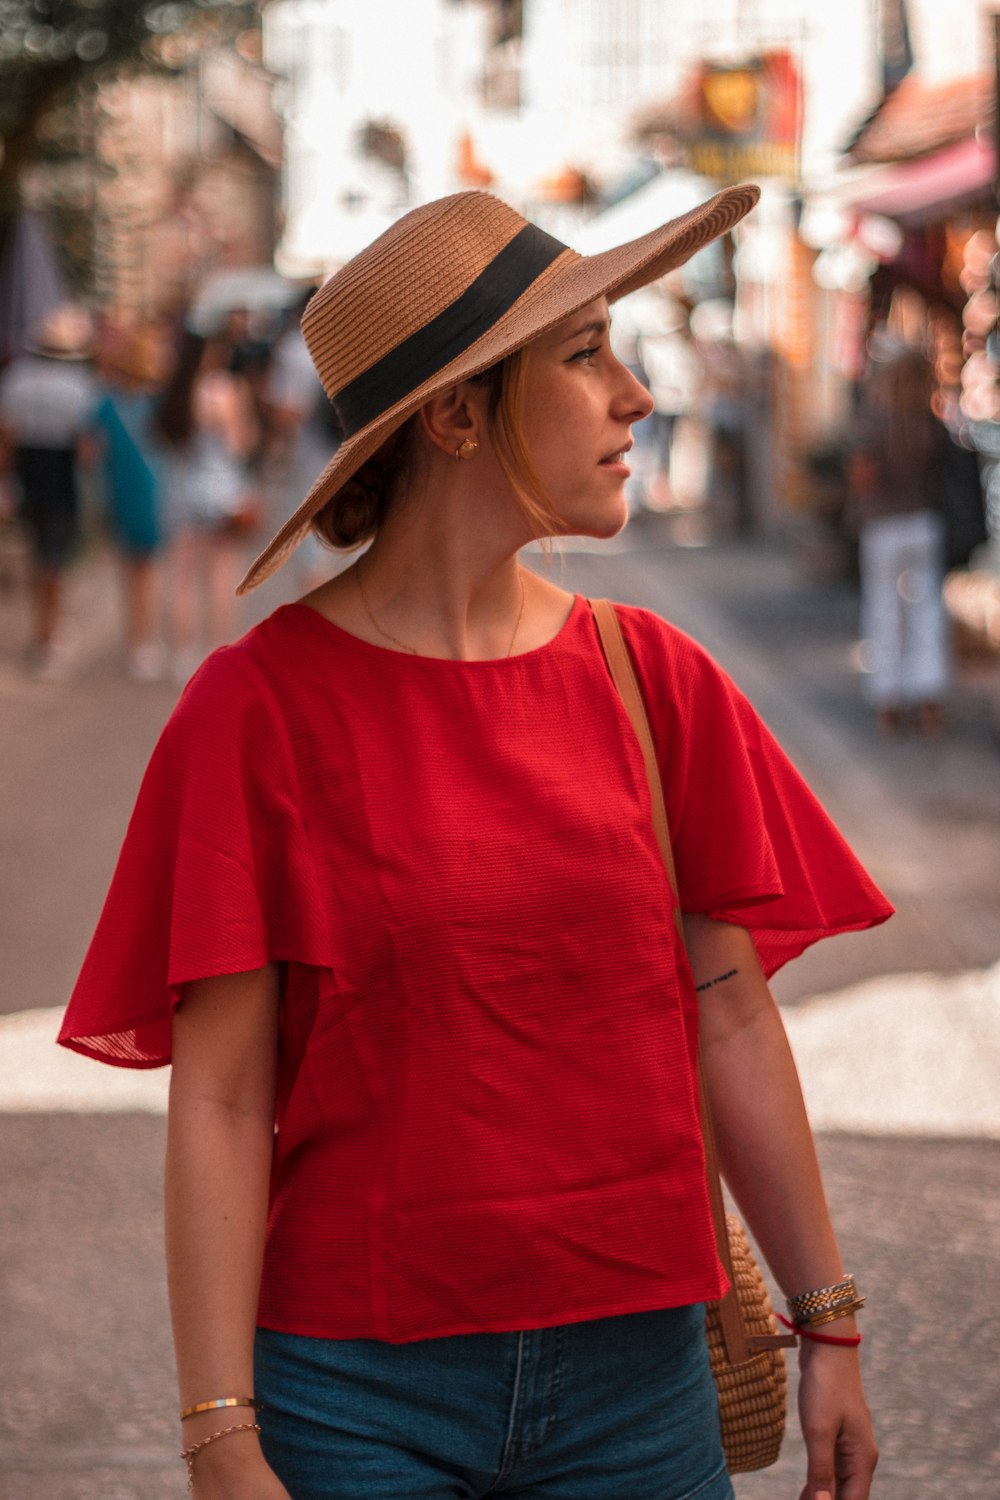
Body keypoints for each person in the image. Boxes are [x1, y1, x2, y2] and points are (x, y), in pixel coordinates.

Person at [60, 185, 890, 1500]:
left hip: (645, 1387)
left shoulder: (652, 678)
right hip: (348, 1402)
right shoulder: (255, 715)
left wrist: (829, 1319)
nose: (633, 397)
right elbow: (219, 1098)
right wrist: (220, 1432)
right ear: (454, 414)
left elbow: (731, 1018)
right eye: (584, 355)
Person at [851, 312, 951, 734]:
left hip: (884, 526)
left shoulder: (876, 421)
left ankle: (888, 701)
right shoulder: (931, 422)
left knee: (884, 609)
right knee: (926, 610)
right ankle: (928, 698)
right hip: (924, 523)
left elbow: (863, 477)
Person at [155, 327, 261, 681]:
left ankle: (182, 655)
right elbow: (240, 445)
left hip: (182, 490)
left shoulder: (177, 391)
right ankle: (218, 653)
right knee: (220, 575)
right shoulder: (224, 390)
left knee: (182, 577)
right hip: (221, 491)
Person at [0, 304, 97, 677]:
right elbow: (87, 447)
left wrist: (7, 481)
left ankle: (42, 628)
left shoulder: (16, 379)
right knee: (55, 560)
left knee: (37, 555)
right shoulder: (80, 386)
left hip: (28, 475)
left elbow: (7, 437)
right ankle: (47, 633)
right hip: (62, 478)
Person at [92, 322, 170, 680]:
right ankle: (143, 644)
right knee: (147, 574)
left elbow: (90, 452)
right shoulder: (157, 403)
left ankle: (133, 642)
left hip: (119, 493)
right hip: (153, 491)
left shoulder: (106, 403)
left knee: (129, 574)